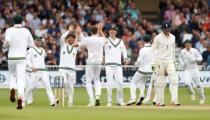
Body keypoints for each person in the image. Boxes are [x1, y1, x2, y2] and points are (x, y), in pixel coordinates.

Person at [2, 15, 34, 109]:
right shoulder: (26, 31)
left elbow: (7, 41)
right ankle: (20, 97)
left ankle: (12, 89)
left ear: (13, 21)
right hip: (22, 58)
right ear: (22, 21)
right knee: (21, 79)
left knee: (12, 75)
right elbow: (31, 44)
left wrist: (5, 46)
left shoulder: (9, 30)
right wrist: (23, 45)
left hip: (11, 57)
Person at [73, 25, 105, 106]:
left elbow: (75, 45)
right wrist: (101, 30)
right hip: (99, 62)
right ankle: (97, 96)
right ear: (97, 31)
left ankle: (91, 100)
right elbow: (105, 40)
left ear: (90, 32)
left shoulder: (87, 39)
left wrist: (77, 35)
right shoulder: (101, 39)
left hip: (90, 62)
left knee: (88, 82)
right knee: (97, 80)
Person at [24, 35, 57, 106]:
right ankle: (22, 99)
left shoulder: (43, 50)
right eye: (38, 40)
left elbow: (42, 60)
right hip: (36, 71)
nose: (39, 41)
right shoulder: (31, 50)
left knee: (48, 86)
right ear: (34, 41)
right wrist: (31, 66)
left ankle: (53, 102)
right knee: (31, 87)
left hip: (43, 71)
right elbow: (27, 60)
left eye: (40, 40)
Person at [153, 21, 180, 106]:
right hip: (160, 61)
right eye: (164, 29)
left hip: (170, 61)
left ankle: (174, 100)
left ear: (170, 29)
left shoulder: (173, 37)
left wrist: (174, 61)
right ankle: (159, 101)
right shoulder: (157, 38)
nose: (166, 31)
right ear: (162, 29)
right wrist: (154, 63)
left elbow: (173, 50)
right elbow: (154, 50)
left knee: (174, 79)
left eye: (167, 29)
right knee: (160, 82)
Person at [58, 25, 83, 107]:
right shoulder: (63, 45)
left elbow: (83, 42)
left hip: (71, 69)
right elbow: (62, 37)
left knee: (71, 87)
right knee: (65, 82)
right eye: (69, 37)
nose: (71, 39)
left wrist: (80, 33)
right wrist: (69, 31)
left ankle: (70, 102)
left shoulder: (76, 47)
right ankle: (65, 91)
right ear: (67, 39)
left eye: (72, 38)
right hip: (62, 68)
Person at [127, 35, 154, 106]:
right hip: (150, 71)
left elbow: (139, 61)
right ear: (150, 40)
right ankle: (141, 96)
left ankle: (132, 98)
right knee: (142, 83)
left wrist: (135, 64)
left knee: (133, 82)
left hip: (142, 69)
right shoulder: (154, 49)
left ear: (143, 41)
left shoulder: (143, 49)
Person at [104, 25, 128, 106]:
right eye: (110, 30)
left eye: (114, 30)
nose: (112, 31)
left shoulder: (120, 41)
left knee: (120, 83)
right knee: (109, 83)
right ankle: (109, 101)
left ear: (116, 32)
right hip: (109, 65)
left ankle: (119, 100)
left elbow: (124, 50)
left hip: (118, 65)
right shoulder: (106, 41)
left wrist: (125, 58)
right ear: (108, 31)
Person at [179, 39, 205, 104]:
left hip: (195, 70)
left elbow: (201, 58)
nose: (187, 45)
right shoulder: (182, 51)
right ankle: (192, 93)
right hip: (187, 70)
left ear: (191, 44)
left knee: (198, 85)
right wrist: (182, 63)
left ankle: (202, 98)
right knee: (187, 84)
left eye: (188, 43)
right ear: (184, 45)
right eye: (186, 43)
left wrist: (195, 60)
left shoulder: (194, 50)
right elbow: (180, 59)